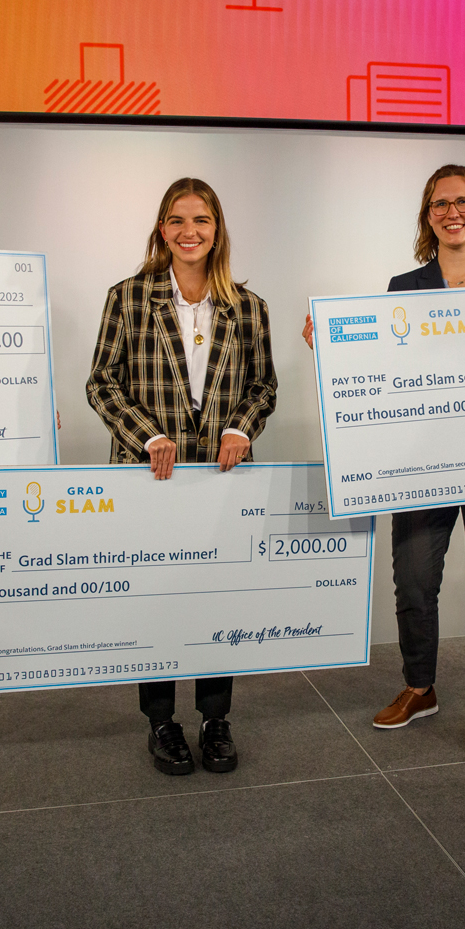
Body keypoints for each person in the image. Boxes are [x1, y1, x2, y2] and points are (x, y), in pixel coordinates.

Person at [303, 164, 465, 752]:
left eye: (464, 202)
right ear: (428, 215)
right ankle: (420, 688)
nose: (453, 212)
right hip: (423, 463)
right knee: (414, 583)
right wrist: (335, 343)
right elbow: (389, 369)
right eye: (441, 204)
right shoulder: (404, 288)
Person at [87, 177, 277, 776]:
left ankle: (215, 718)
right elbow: (101, 384)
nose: (188, 232)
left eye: (201, 221)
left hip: (221, 484)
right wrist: (148, 436)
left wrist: (241, 429)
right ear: (161, 229)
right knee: (157, 602)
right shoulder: (127, 296)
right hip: (150, 482)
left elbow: (263, 388)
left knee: (215, 599)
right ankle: (162, 723)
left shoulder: (248, 307)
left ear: (217, 230)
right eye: (176, 220)